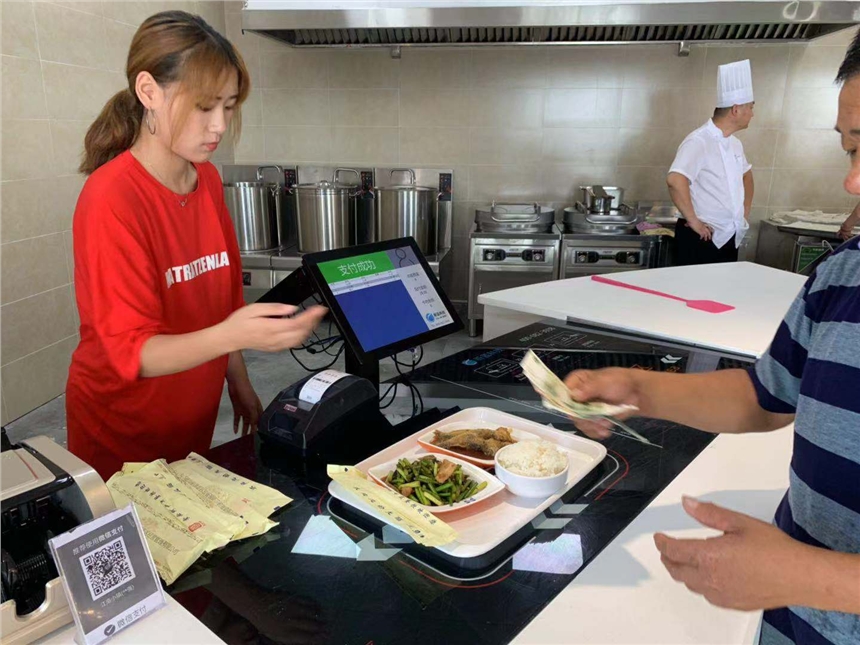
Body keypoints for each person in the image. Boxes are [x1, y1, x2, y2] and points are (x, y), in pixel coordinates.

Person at [561, 37, 860, 644]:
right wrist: (638, 388)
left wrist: (812, 575)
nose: (854, 183)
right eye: (851, 148)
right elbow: (766, 396)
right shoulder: (843, 275)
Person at [67, 11, 326, 479]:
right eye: (205, 106)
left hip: (191, 416)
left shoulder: (205, 179)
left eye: (228, 106)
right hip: (122, 427)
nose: (220, 125)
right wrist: (238, 335)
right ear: (149, 91)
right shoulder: (111, 198)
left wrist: (239, 380)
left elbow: (220, 300)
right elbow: (134, 354)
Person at [668, 60, 755, 266]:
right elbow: (675, 179)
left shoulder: (734, 144)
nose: (752, 113)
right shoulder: (698, 141)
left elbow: (747, 175)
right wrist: (693, 221)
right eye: (750, 108)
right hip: (702, 237)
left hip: (727, 237)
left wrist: (744, 211)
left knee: (718, 294)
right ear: (736, 109)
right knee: (690, 295)